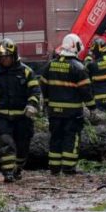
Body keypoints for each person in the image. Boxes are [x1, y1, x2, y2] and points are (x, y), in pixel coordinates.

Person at [0, 38, 41, 182]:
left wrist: (32, 104)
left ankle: (17, 168)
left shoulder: (26, 72)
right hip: (2, 116)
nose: (4, 60)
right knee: (6, 143)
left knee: (22, 147)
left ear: (14, 55)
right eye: (1, 57)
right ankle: (7, 173)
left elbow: (35, 91)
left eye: (6, 57)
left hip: (22, 116)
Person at [41, 34, 95, 175]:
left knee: (56, 138)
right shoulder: (79, 67)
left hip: (54, 112)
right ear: (75, 47)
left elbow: (43, 87)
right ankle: (69, 168)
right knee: (71, 138)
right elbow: (86, 91)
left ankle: (54, 168)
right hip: (72, 113)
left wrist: (47, 103)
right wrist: (92, 107)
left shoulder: (50, 65)